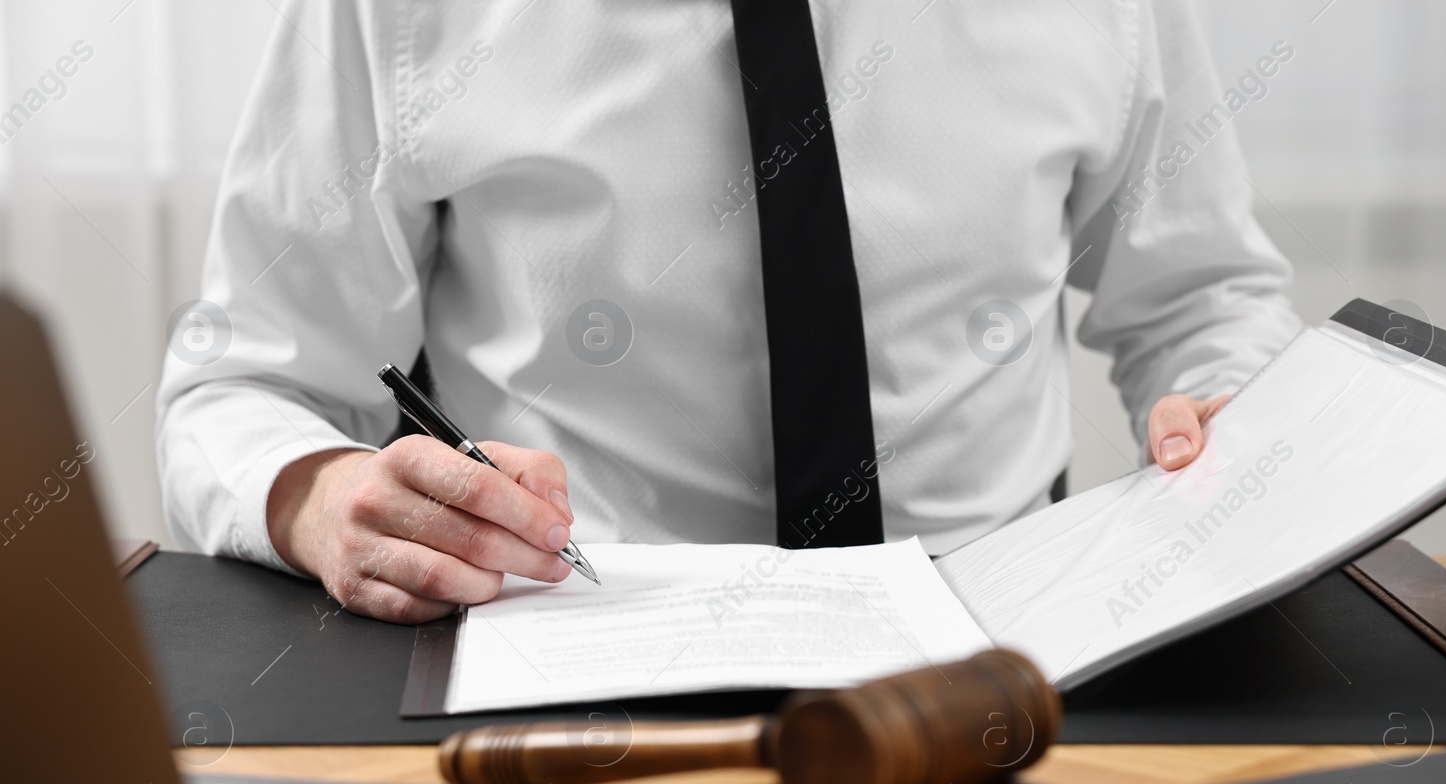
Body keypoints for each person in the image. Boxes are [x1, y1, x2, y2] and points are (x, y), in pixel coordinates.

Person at [157, 0, 1300, 624]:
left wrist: (1225, 411)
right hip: (572, 657)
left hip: (1007, 661)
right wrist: (322, 497)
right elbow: (246, 384)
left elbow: (1202, 300)